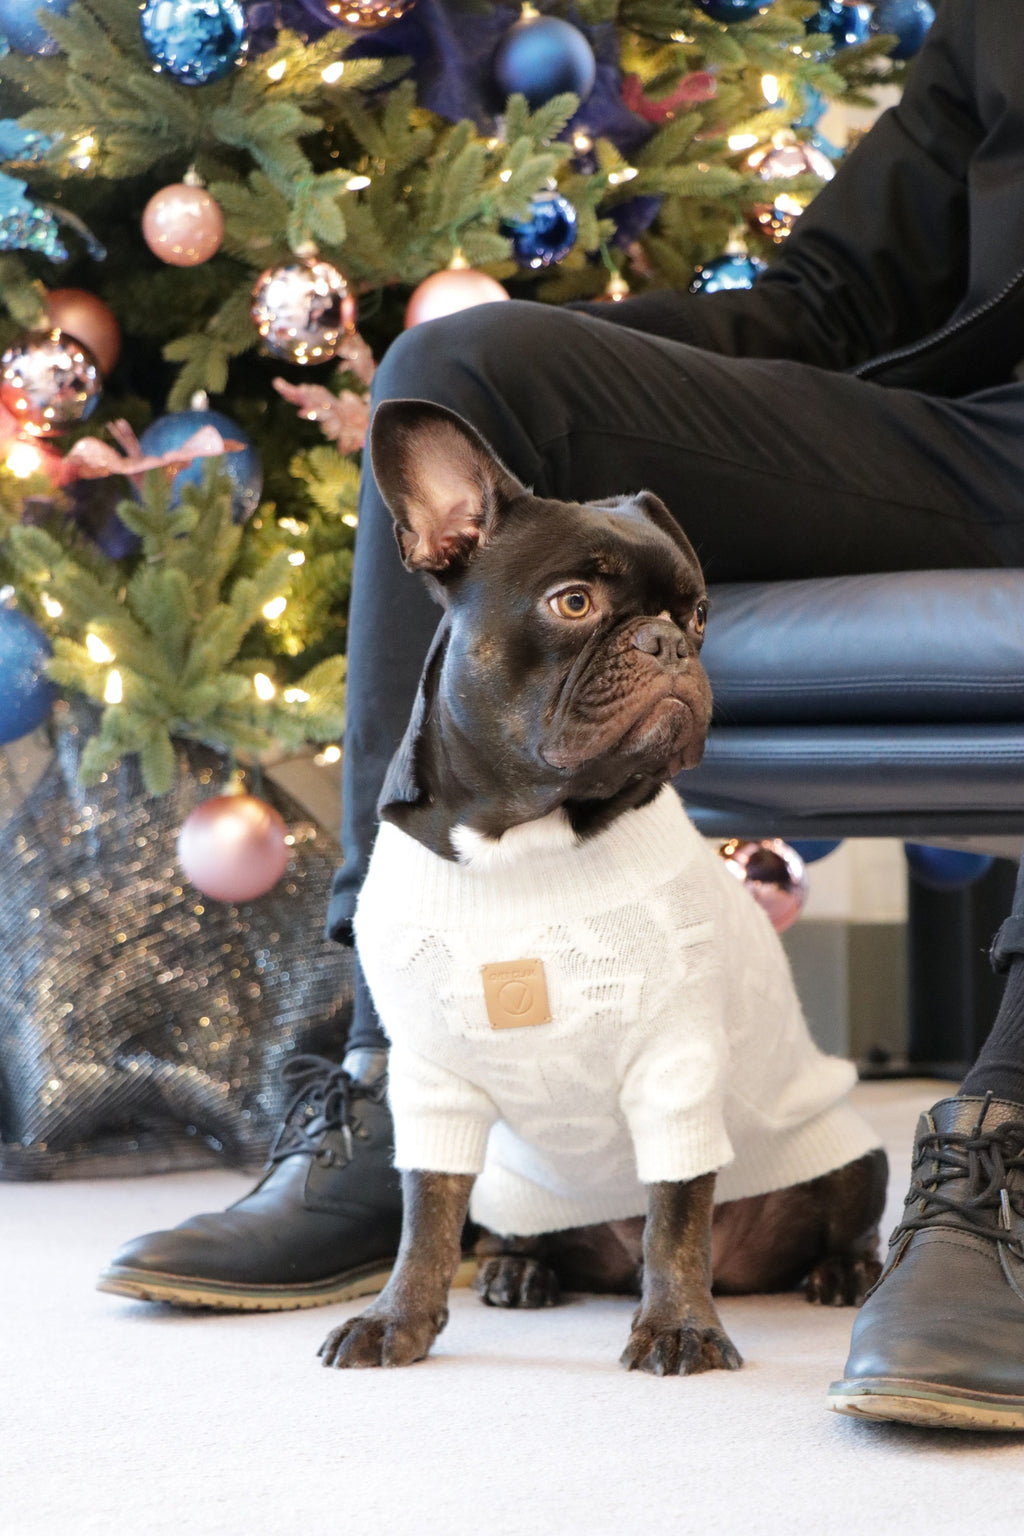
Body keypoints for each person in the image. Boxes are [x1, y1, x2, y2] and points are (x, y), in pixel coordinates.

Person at [100, 0, 1024, 1428]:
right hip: (975, 442)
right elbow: (833, 299)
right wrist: (568, 352)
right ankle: (383, 1071)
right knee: (466, 373)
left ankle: (1006, 1141)